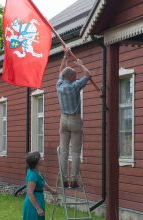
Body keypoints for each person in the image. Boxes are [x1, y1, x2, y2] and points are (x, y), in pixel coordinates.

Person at [56, 48, 91, 188]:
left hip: (63, 119)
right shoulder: (75, 86)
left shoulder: (59, 85)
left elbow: (61, 71)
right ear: (70, 77)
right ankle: (74, 180)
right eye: (75, 75)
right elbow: (88, 74)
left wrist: (65, 57)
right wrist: (80, 64)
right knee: (75, 152)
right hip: (75, 120)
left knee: (64, 151)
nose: (77, 77)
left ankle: (64, 180)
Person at [23, 151, 57, 220]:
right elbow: (30, 193)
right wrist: (38, 208)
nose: (42, 158)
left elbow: (43, 183)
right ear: (36, 161)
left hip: (39, 198)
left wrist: (51, 191)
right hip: (33, 203)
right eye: (40, 157)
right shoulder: (33, 175)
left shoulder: (37, 171)